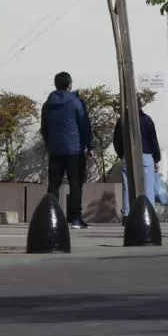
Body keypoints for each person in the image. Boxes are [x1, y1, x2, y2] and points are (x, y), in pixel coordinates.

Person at [40, 72, 93, 229]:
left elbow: (44, 127)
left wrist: (49, 143)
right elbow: (84, 125)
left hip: (55, 150)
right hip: (74, 150)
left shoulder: (48, 104)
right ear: (69, 84)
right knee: (75, 184)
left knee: (54, 184)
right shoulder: (76, 102)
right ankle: (76, 218)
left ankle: (51, 217)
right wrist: (89, 145)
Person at [112, 95, 161, 225]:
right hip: (146, 155)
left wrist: (121, 153)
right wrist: (156, 158)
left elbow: (116, 140)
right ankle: (149, 214)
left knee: (127, 186)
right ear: (140, 105)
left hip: (128, 156)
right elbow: (153, 140)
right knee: (148, 186)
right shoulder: (147, 120)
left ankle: (127, 215)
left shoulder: (122, 121)